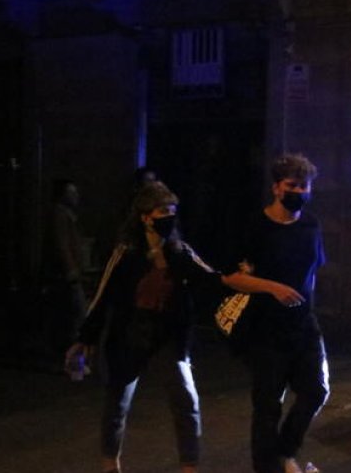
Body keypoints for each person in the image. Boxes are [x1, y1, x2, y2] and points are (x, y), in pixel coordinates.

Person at [67, 182, 230, 473]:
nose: (168, 217)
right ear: (145, 216)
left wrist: (243, 282)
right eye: (162, 211)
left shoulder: (179, 251)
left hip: (168, 335)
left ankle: (189, 468)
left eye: (172, 211)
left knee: (186, 399)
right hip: (131, 333)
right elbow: (104, 296)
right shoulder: (126, 253)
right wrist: (85, 337)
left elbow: (211, 278)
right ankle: (110, 465)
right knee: (118, 403)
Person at [222, 154, 328, 473]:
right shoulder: (256, 226)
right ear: (276, 188)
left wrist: (309, 308)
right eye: (292, 185)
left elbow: (314, 270)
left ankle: (284, 453)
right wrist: (272, 287)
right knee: (268, 406)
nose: (299, 191)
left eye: (304, 186)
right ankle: (268, 467)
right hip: (266, 328)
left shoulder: (311, 225)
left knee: (315, 391)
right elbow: (230, 276)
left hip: (303, 324)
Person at [46, 178, 87, 356]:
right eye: (71, 192)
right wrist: (71, 270)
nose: (76, 196)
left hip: (68, 273)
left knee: (71, 312)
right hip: (66, 275)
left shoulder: (66, 214)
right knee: (75, 311)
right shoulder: (60, 215)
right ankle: (68, 351)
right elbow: (62, 244)